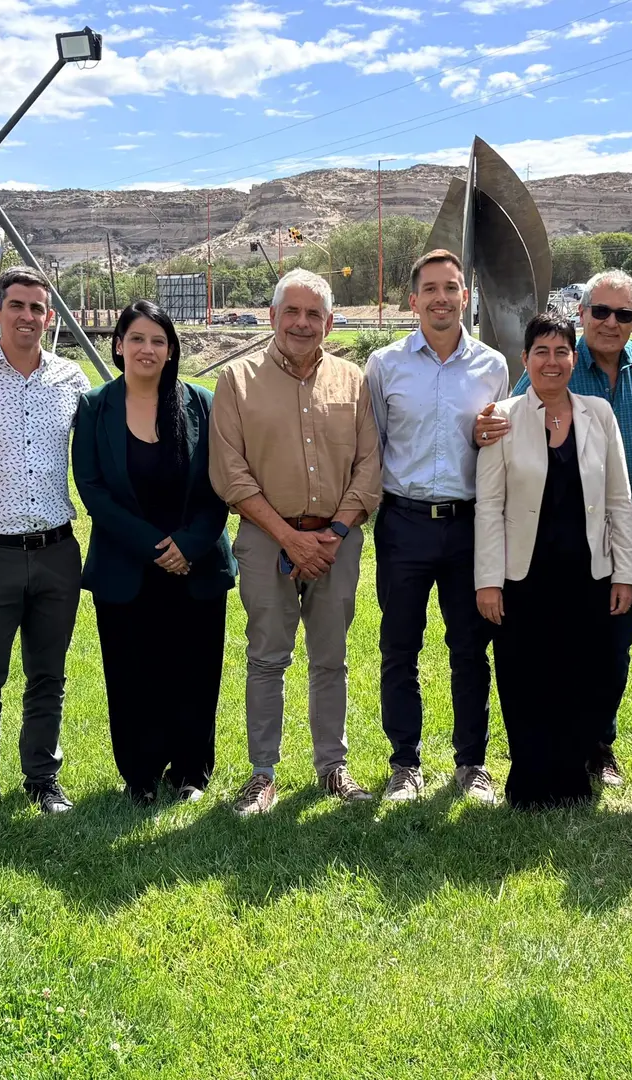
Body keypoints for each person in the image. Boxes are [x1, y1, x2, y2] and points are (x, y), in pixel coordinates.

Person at [475, 268, 632, 786]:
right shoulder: (522, 398)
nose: (611, 321)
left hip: (611, 540)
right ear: (583, 314)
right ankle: (538, 764)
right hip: (530, 554)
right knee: (529, 663)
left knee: (606, 653)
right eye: (601, 311)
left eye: (624, 313)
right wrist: (484, 428)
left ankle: (594, 747)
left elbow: (630, 483)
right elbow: (497, 475)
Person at [209, 268, 382, 815]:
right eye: (293, 312)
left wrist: (331, 534)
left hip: (339, 538)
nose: (303, 324)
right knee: (266, 657)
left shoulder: (353, 381)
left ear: (329, 322)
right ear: (273, 316)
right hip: (265, 537)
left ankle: (333, 766)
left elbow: (369, 465)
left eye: (314, 315)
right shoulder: (237, 381)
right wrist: (289, 537)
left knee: (330, 658)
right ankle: (263, 774)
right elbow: (230, 474)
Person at [74, 301, 234, 805]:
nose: (147, 349)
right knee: (130, 672)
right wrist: (152, 545)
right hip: (127, 564)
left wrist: (187, 545)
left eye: (158, 341)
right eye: (137, 339)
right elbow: (92, 488)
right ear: (117, 345)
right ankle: (140, 774)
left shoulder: (202, 404)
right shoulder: (95, 406)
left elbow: (222, 485)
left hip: (197, 562)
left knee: (196, 669)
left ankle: (191, 770)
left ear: (171, 351)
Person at [364, 249, 509, 804]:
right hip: (403, 523)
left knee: (470, 647)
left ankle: (471, 764)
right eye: (431, 289)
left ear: (465, 297)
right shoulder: (386, 365)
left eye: (452, 287)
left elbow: (497, 442)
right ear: (414, 299)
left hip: (469, 524)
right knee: (400, 647)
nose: (442, 298)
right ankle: (405, 763)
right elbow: (373, 445)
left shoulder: (492, 366)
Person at [0, 266, 92, 823]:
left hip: (57, 550)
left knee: (48, 674)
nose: (27, 317)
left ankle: (43, 779)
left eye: (37, 308)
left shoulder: (71, 379)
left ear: (49, 316)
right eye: (17, 306)